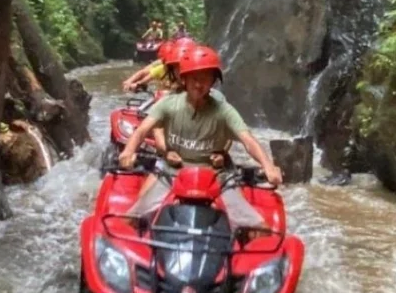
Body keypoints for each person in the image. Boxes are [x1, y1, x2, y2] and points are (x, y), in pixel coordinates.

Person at [118, 44, 283, 229]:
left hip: (216, 175)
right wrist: (128, 151)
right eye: (195, 78)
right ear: (185, 79)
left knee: (259, 229)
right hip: (173, 171)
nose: (199, 84)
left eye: (205, 79)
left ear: (213, 82)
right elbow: (142, 130)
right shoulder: (168, 104)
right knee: (129, 221)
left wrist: (268, 166)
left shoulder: (224, 111)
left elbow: (248, 140)